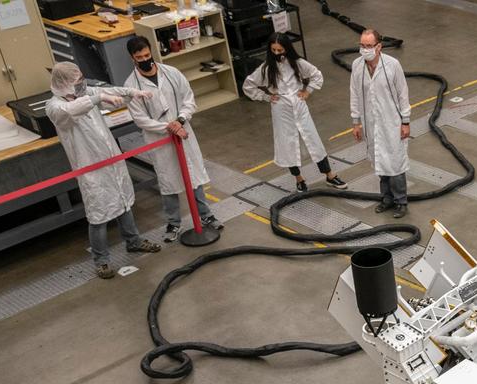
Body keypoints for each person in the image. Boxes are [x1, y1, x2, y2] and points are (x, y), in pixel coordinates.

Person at [45, 62, 163, 279]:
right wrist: (98, 99)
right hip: (91, 169)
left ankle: (133, 241)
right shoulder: (55, 106)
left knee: (124, 201)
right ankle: (101, 260)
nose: (82, 84)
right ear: (65, 84)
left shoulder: (86, 92)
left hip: (111, 160)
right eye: (77, 81)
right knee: (98, 214)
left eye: (82, 79)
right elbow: (74, 110)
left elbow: (109, 91)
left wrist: (133, 93)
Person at [124, 37, 222, 243]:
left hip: (183, 131)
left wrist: (179, 121)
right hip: (159, 139)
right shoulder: (131, 86)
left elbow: (189, 99)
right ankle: (174, 222)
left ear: (151, 52)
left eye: (147, 55)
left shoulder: (172, 73)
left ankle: (206, 216)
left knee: (193, 175)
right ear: (132, 58)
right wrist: (168, 128)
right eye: (139, 57)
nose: (144, 59)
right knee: (168, 180)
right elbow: (140, 119)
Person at [243, 34, 347, 193]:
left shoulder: (297, 63)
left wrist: (308, 91)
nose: (277, 53)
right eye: (274, 50)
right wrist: (265, 96)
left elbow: (316, 74)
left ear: (287, 48)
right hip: (281, 107)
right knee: (288, 143)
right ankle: (299, 179)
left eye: (280, 49)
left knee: (313, 139)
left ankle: (330, 175)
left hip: (299, 105)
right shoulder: (266, 68)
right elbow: (248, 85)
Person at [349, 29, 411, 217]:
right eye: (362, 45)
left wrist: (405, 121)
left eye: (369, 46)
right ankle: (387, 199)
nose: (365, 49)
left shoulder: (392, 65)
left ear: (379, 46)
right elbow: (354, 94)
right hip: (370, 123)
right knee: (379, 160)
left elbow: (403, 93)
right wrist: (356, 122)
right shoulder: (357, 66)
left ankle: (401, 201)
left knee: (395, 162)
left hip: (392, 122)